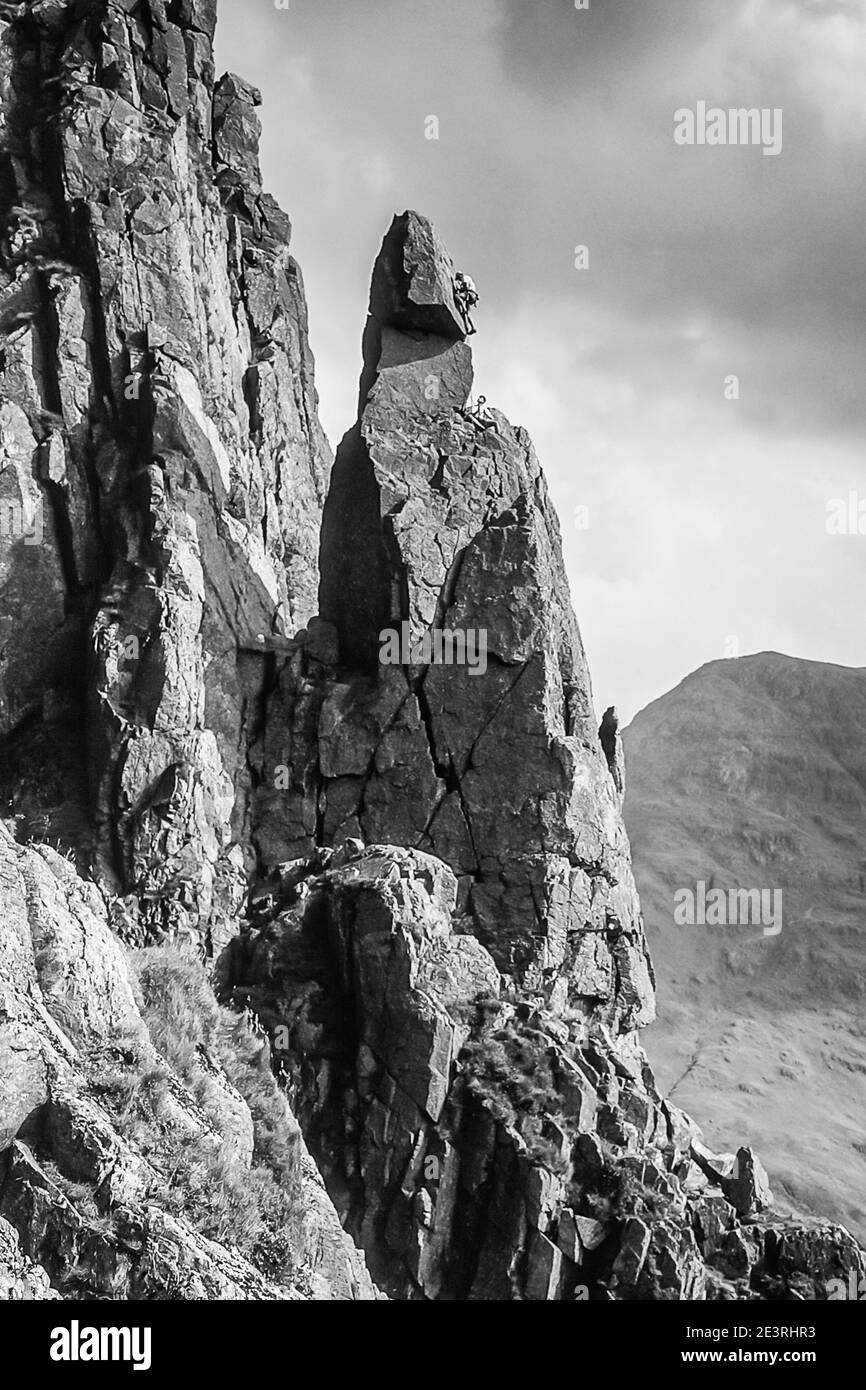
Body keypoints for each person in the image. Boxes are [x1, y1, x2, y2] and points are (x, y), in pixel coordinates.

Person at [454, 270, 479, 335]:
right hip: (473, 297)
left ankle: (463, 307)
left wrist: (459, 289)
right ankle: (472, 327)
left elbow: (465, 286)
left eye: (459, 278)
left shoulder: (465, 278)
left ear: (460, 275)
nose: (459, 280)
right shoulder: (469, 279)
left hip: (469, 294)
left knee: (457, 296)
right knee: (467, 313)